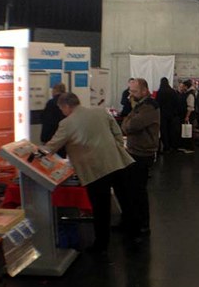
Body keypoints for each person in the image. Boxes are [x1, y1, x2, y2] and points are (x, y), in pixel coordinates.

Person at [44, 93, 134, 252]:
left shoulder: (67, 123)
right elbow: (117, 132)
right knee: (125, 199)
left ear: (66, 106)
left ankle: (101, 244)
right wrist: (117, 148)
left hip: (94, 169)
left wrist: (34, 154)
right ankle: (134, 232)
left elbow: (52, 146)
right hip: (115, 161)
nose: (62, 112)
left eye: (61, 109)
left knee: (101, 208)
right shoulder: (99, 112)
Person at [121, 78, 160, 238]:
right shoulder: (140, 105)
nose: (131, 94)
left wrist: (127, 122)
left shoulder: (149, 106)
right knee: (133, 190)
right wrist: (127, 122)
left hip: (142, 153)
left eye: (134, 91)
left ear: (144, 91)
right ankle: (133, 222)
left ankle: (142, 225)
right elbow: (127, 123)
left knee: (138, 191)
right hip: (136, 151)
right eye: (130, 91)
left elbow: (131, 125)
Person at [40, 83, 67, 157]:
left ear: (55, 90)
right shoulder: (67, 102)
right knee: (62, 157)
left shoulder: (51, 103)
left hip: (51, 136)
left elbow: (46, 120)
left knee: (50, 158)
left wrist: (44, 138)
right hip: (63, 136)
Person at [156, 77, 179, 152]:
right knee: (171, 130)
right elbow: (176, 102)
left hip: (163, 114)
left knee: (164, 131)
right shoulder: (172, 91)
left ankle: (166, 146)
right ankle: (173, 145)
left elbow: (157, 103)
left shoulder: (160, 92)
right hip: (172, 114)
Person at [178, 79, 196, 154]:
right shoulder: (188, 93)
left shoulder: (190, 94)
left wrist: (187, 116)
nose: (182, 87)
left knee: (189, 131)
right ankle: (186, 146)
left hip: (189, 115)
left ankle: (190, 147)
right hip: (186, 115)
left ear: (186, 86)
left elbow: (190, 107)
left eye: (183, 86)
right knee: (186, 130)